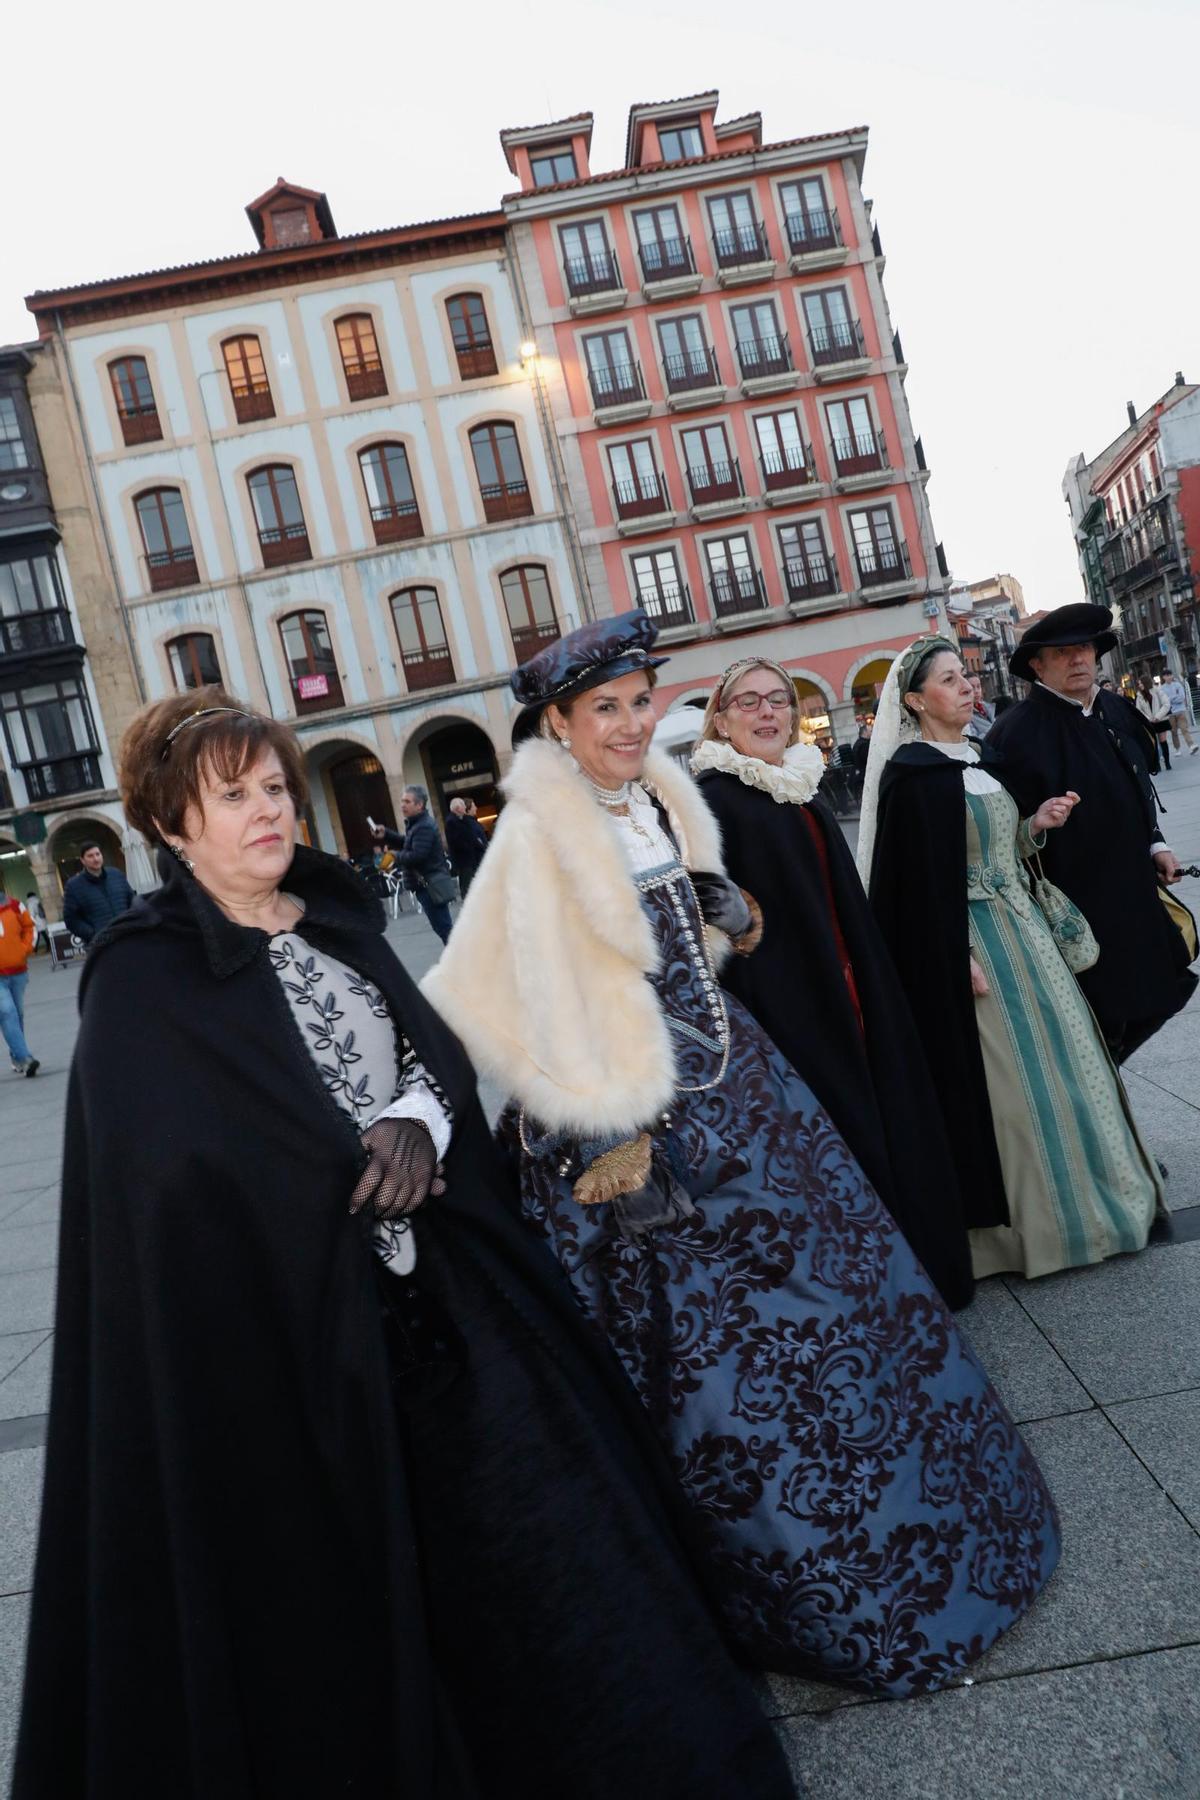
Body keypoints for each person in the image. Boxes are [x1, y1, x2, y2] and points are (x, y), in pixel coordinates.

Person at [14, 688, 792, 1800]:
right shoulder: (142, 981)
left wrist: (422, 1123)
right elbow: (172, 1187)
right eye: (231, 795)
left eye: (276, 786)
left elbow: (431, 1066)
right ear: (172, 826)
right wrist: (321, 1176)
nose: (267, 811)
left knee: (556, 1544)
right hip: (303, 1351)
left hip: (461, 1309)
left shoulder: (337, 924)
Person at [423, 610, 1060, 1701]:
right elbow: (510, 993)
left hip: (741, 1090)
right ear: (557, 726)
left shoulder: (652, 798)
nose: (628, 726)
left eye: (639, 703)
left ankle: (930, 1539)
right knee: (726, 1373)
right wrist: (612, 1134)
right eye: (603, 710)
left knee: (848, 1314)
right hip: (630, 1122)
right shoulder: (538, 831)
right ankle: (820, 1599)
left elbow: (686, 948)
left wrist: (736, 920)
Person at [860, 636, 1162, 1281]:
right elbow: (911, 887)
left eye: (965, 676)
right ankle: (1034, 1233)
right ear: (915, 701)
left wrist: (1037, 825)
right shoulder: (912, 777)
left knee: (1069, 1060)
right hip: (974, 944)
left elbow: (997, 846)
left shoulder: (980, 756)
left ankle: (1101, 1205)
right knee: (1011, 1083)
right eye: (948, 680)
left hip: (1025, 931)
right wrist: (952, 953)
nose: (967, 687)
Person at [690, 656, 973, 1308]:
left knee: (883, 1118)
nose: (766, 713)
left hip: (850, 984)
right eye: (749, 702)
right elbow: (716, 924)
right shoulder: (715, 801)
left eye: (777, 701)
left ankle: (919, 1270)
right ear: (723, 719)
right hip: (788, 1005)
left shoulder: (800, 786)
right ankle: (871, 1289)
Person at [987, 604, 1197, 1061]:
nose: (1078, 659)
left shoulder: (1113, 707)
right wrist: (1034, 825)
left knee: (1166, 986)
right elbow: (999, 831)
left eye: (1084, 648)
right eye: (1063, 652)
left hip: (1135, 889)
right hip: (1078, 905)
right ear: (1037, 666)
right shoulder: (1014, 735)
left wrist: (1155, 842)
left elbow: (1138, 778)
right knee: (1101, 1012)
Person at [373, 788, 456, 945]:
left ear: (419, 805)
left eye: (407, 801)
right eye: (402, 801)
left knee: (445, 929)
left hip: (430, 885)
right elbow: (408, 843)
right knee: (444, 929)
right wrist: (387, 834)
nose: (403, 805)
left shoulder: (423, 826)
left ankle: (463, 963)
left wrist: (395, 855)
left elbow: (417, 856)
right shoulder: (417, 824)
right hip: (426, 884)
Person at [0, 879, 38, 1077]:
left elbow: (29, 928)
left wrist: (24, 950)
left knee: (17, 1014)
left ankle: (17, 1057)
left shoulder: (15, 905)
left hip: (18, 971)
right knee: (7, 1013)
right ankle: (25, 1058)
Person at [61, 840, 134, 943]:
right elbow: (71, 920)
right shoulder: (73, 886)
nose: (95, 859)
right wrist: (94, 935)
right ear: (82, 860)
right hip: (101, 946)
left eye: (97, 854)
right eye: (90, 856)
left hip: (128, 937)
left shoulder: (116, 874)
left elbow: (132, 901)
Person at [444, 797, 489, 899]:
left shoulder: (460, 819)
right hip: (463, 860)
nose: (465, 809)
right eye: (463, 807)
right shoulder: (452, 821)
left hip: (468, 858)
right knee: (466, 885)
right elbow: (457, 841)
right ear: (458, 808)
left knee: (471, 884)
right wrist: (470, 845)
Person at [1135, 675, 1172, 772]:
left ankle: (1167, 763)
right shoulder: (1139, 695)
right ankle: (1157, 765)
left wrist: (1157, 717)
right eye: (1138, 684)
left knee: (1163, 741)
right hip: (1149, 722)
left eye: (1141, 683)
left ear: (1146, 682)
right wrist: (1148, 719)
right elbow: (1138, 710)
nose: (1139, 685)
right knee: (1153, 743)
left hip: (1161, 720)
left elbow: (1166, 704)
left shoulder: (1157, 691)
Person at [1161, 670, 1199, 754]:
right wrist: (1174, 697)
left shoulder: (1178, 685)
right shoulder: (1162, 688)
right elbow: (1164, 701)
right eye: (1167, 675)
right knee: (1173, 732)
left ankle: (1191, 745)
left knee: (1184, 729)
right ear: (1163, 677)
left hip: (1180, 711)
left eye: (1170, 675)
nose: (1169, 677)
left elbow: (1181, 697)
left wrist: (1171, 698)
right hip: (1170, 713)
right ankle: (1177, 749)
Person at [964, 674, 995, 742]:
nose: (977, 691)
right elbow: (975, 740)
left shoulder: (988, 707)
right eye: (972, 687)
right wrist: (995, 728)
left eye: (978, 686)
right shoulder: (966, 715)